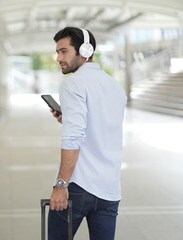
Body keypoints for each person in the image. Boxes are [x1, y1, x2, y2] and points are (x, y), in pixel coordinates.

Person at [48, 27, 127, 240]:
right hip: (109, 189)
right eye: (58, 52)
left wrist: (61, 185)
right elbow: (102, 126)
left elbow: (72, 138)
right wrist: (67, 119)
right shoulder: (114, 86)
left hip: (78, 186)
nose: (58, 58)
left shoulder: (73, 84)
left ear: (84, 50)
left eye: (63, 51)